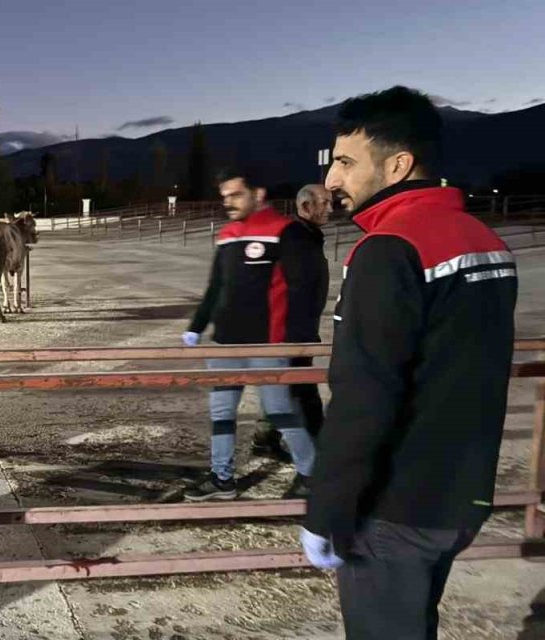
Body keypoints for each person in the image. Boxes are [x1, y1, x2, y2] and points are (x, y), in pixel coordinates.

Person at [302, 86, 517, 639]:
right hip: (464, 494)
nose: (331, 180)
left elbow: (363, 394)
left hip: (395, 507)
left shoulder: (389, 250)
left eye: (346, 162)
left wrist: (327, 512)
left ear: (397, 165)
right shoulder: (485, 240)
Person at [182, 168, 321, 501]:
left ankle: (311, 474)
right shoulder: (228, 234)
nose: (228, 202)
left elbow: (302, 290)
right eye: (224, 197)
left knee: (279, 410)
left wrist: (297, 339)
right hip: (224, 343)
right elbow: (216, 286)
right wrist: (197, 326)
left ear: (258, 194)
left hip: (267, 344)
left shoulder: (284, 232)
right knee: (221, 412)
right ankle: (222, 479)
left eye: (235, 195)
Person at [252, 183, 333, 459]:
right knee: (303, 390)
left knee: (282, 385)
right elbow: (293, 288)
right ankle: (320, 451)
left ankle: (264, 438)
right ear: (305, 206)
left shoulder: (308, 235)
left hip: (297, 330)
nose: (330, 209)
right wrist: (297, 333)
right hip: (291, 332)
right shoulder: (297, 238)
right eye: (325, 203)